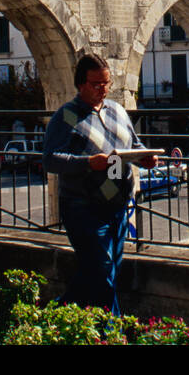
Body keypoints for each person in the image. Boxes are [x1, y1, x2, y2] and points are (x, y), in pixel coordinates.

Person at [42, 54, 157, 315]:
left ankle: (56, 317)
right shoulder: (67, 116)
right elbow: (50, 159)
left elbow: (133, 145)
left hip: (118, 206)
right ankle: (113, 332)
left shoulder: (117, 110)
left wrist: (145, 157)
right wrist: (87, 163)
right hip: (83, 207)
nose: (103, 89)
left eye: (107, 84)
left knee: (103, 272)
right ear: (80, 84)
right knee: (103, 269)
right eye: (96, 84)